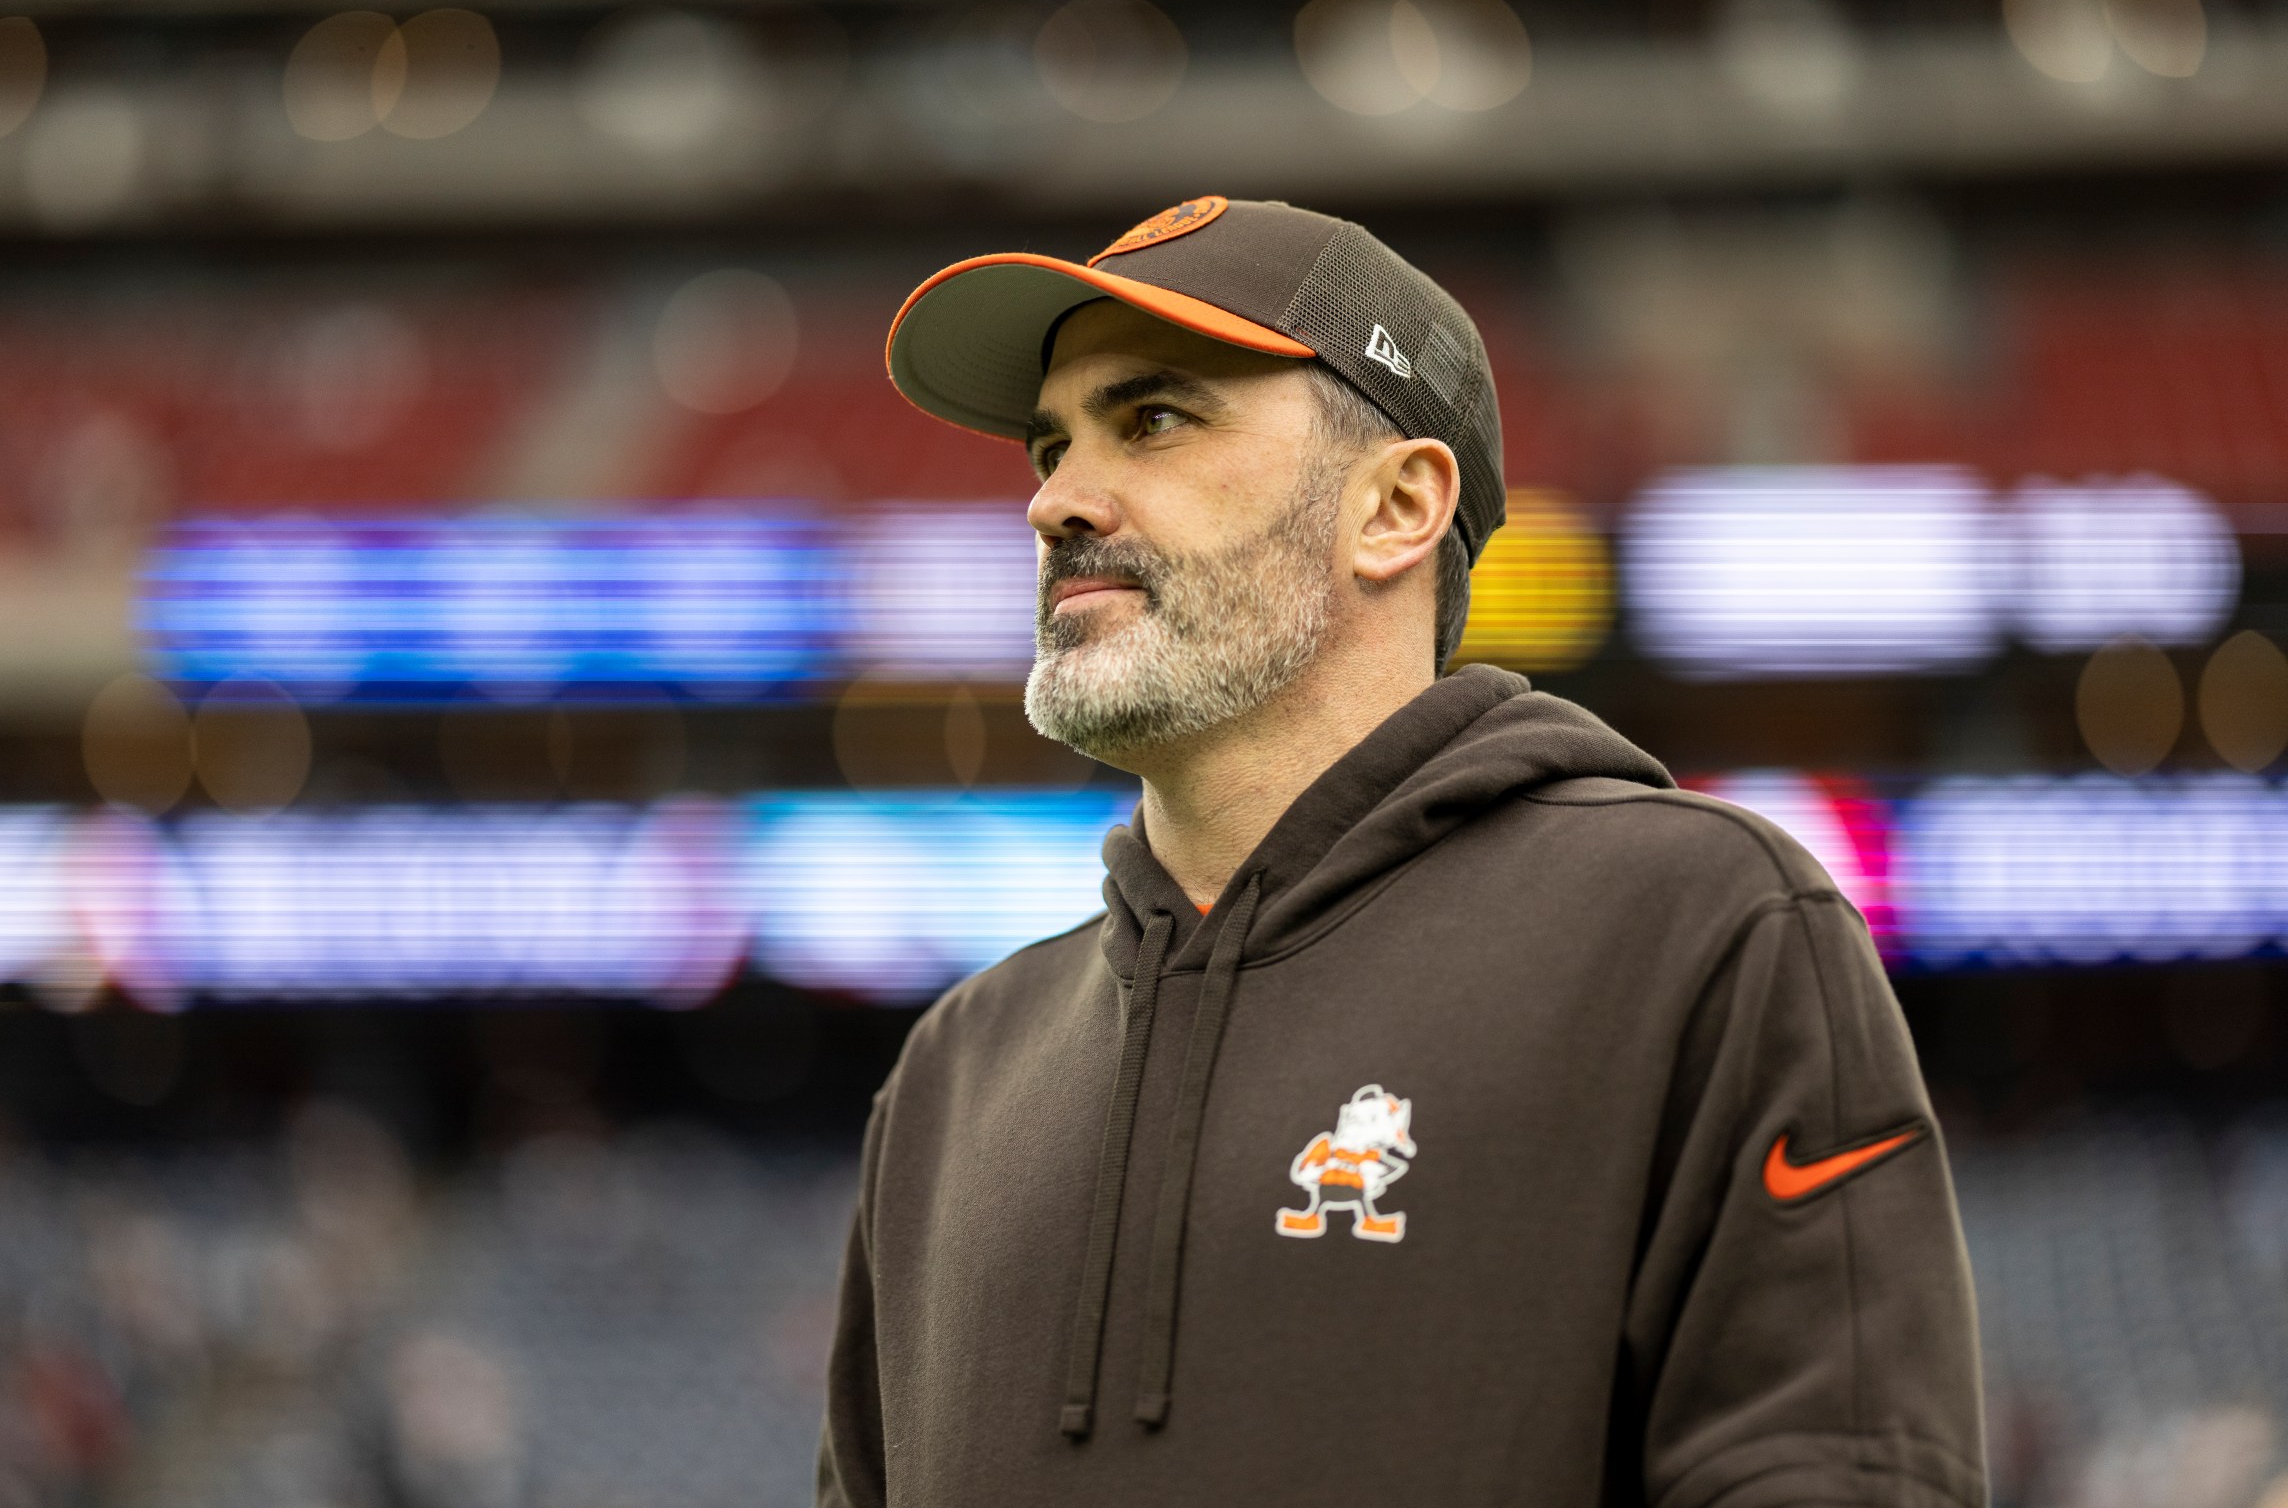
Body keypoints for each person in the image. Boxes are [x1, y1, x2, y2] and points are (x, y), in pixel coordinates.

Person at [818, 196, 1985, 1507]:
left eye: (1152, 419)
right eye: (1050, 445)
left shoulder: (1698, 927)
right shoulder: (956, 1071)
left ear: (1395, 507)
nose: (1055, 502)